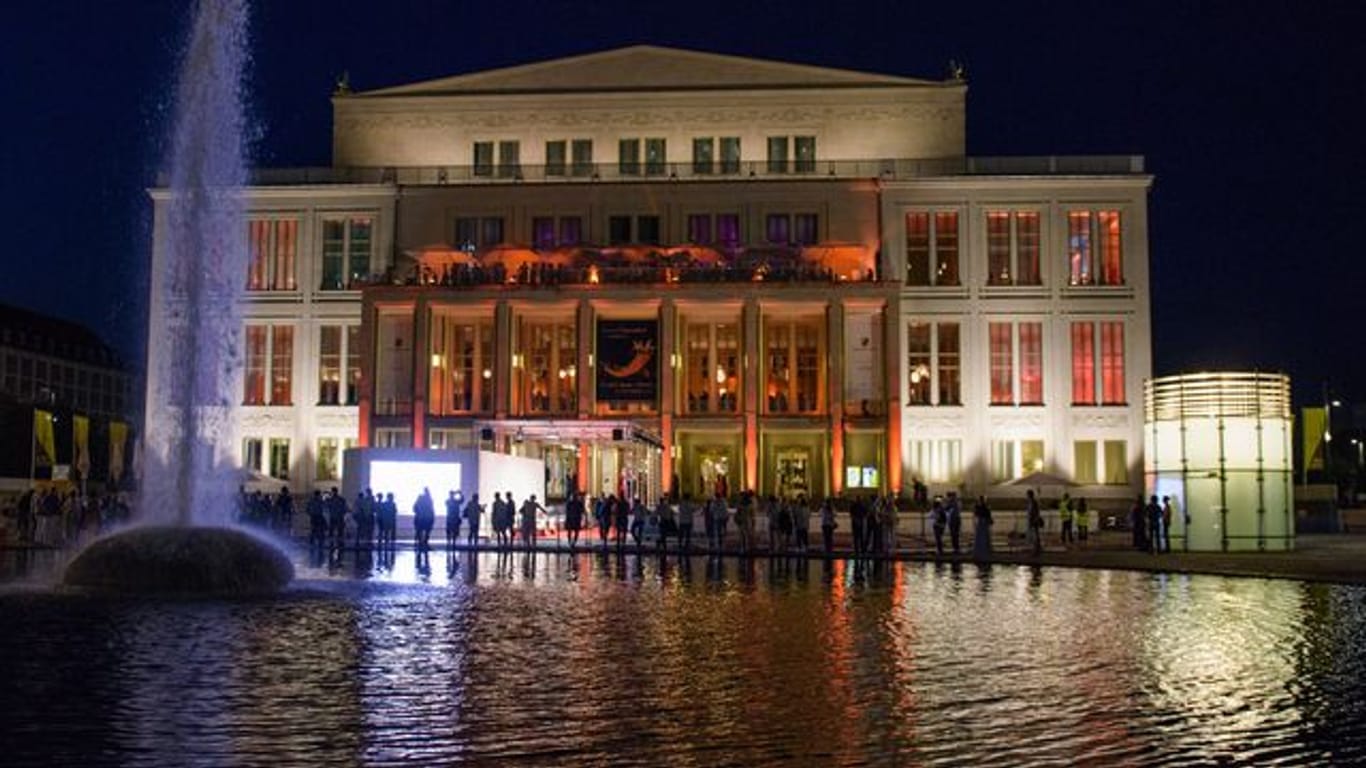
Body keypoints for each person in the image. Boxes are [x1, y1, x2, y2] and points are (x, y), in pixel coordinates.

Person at [972, 495, 992, 560]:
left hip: (980, 523)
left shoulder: (978, 507)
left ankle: (979, 553)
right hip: (984, 523)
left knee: (979, 538)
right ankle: (984, 552)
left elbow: (975, 514)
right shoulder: (985, 507)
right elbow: (988, 515)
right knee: (984, 538)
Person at [1025, 490, 1043, 556]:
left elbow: (1035, 512)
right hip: (1032, 521)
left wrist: (1034, 520)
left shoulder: (1033, 503)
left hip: (1034, 521)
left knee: (1035, 535)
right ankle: (1036, 548)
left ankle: (1036, 549)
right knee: (1034, 535)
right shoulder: (1030, 502)